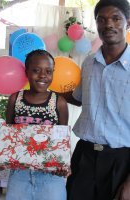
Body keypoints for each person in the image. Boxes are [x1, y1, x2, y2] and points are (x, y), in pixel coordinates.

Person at [64, 0, 130, 199]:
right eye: (102, 20)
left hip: (121, 160)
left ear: (128, 22)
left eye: (116, 18)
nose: (108, 24)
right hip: (84, 154)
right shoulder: (89, 62)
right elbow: (80, 98)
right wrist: (47, 90)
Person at [5, 49, 69, 200]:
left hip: (51, 176)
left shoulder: (58, 102)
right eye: (36, 70)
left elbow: (62, 139)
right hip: (19, 174)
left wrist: (63, 164)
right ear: (26, 72)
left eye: (48, 71)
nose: (43, 76)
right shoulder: (15, 99)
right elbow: (9, 132)